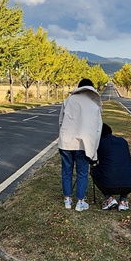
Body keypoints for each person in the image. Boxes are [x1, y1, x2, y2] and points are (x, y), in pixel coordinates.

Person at [58, 78, 103, 211]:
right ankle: (80, 202)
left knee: (66, 171)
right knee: (82, 173)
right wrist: (94, 150)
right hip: (84, 144)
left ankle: (67, 200)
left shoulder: (68, 101)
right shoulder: (94, 105)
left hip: (66, 142)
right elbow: (97, 130)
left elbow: (61, 122)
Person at [91, 123, 131, 211]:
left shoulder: (100, 143)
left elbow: (93, 160)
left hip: (109, 184)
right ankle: (123, 201)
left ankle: (109, 198)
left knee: (94, 170)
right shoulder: (123, 141)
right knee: (123, 168)